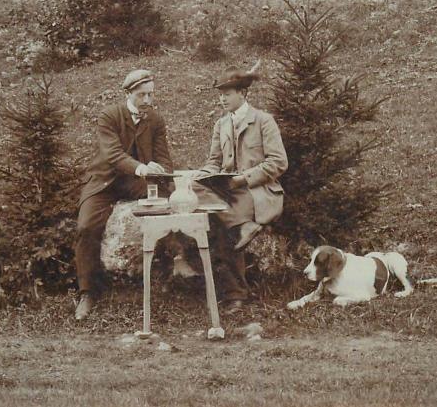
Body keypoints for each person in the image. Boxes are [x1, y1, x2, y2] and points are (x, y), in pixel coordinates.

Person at [74, 69, 173, 321]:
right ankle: (88, 292)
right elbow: (113, 155)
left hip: (137, 182)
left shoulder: (155, 120)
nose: (148, 100)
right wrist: (142, 168)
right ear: (128, 94)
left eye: (151, 94)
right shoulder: (110, 116)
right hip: (105, 181)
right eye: (142, 95)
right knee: (86, 226)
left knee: (169, 204)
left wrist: (164, 173)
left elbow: (163, 157)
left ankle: (173, 271)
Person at [194, 64, 288, 313]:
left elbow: (278, 162)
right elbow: (214, 161)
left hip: (256, 190)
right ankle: (244, 225)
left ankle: (237, 294)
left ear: (243, 94)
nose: (222, 99)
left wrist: (244, 179)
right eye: (220, 94)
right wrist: (204, 175)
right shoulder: (221, 124)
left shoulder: (263, 121)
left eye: (227, 93)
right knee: (193, 186)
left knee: (224, 227)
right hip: (227, 188)